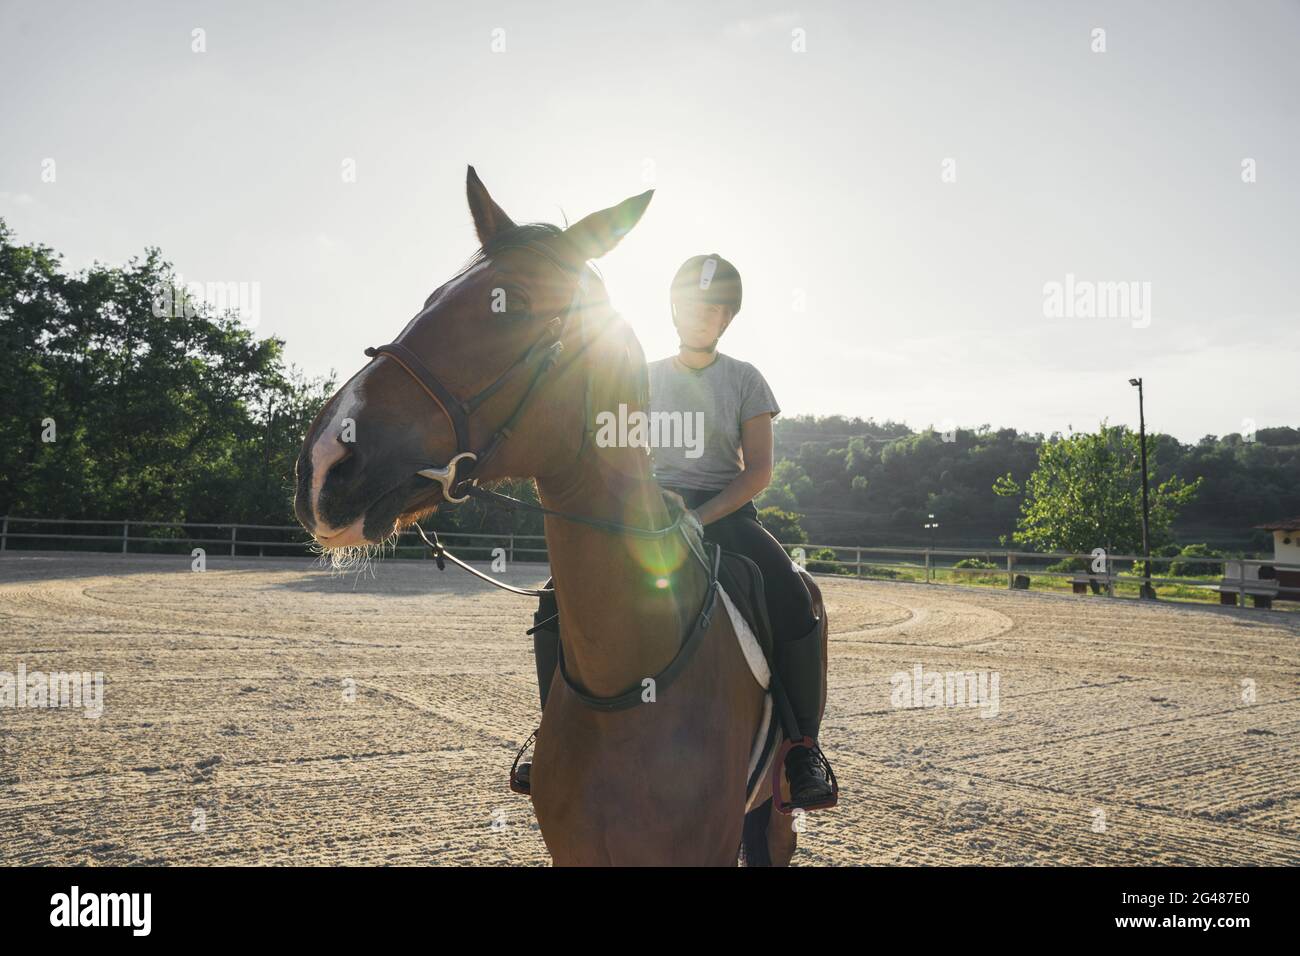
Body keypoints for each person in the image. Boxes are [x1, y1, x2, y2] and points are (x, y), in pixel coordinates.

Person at [514, 254, 834, 810]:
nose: (700, 316)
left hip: (726, 516)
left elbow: (758, 471)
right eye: (691, 305)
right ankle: (551, 732)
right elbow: (616, 451)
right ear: (674, 309)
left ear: (726, 318)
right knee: (553, 599)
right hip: (647, 512)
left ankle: (802, 747)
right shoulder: (644, 378)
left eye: (713, 308)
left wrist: (699, 517)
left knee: (789, 593)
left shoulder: (745, 380)